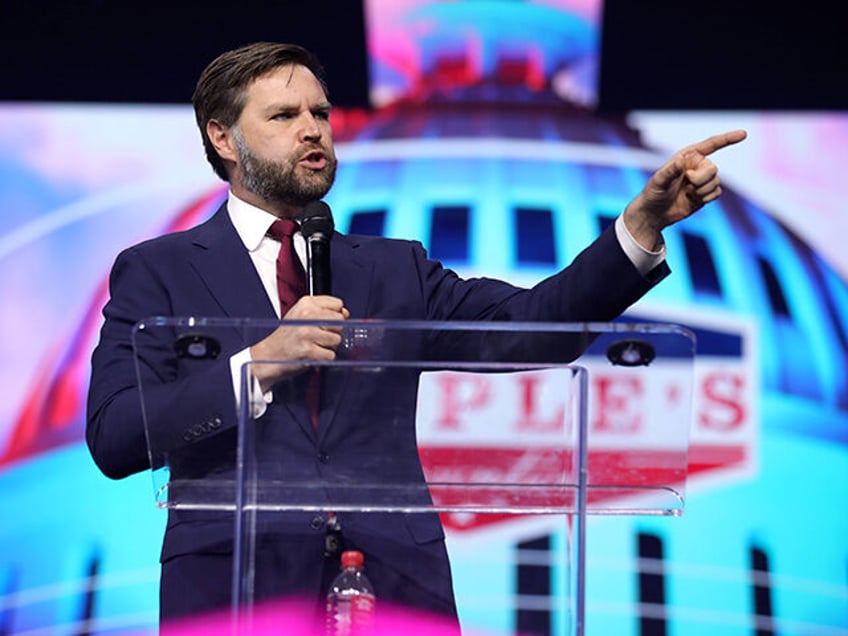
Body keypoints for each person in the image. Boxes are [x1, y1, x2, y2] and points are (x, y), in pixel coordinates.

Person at [85, 41, 746, 627]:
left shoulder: (392, 268)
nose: (314, 131)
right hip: (236, 594)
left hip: (397, 588)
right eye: (285, 118)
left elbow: (533, 331)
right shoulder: (159, 271)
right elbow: (116, 436)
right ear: (224, 138)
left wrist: (638, 229)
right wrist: (257, 365)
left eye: (320, 113)